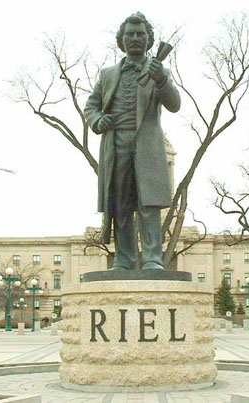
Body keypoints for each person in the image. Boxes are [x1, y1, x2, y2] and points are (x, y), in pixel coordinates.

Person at [84, 12, 181, 271]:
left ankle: (152, 258)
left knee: (148, 203)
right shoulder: (107, 75)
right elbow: (91, 106)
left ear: (149, 39)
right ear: (121, 40)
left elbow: (174, 104)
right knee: (121, 204)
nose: (135, 38)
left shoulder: (160, 70)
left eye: (141, 34)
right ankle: (124, 260)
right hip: (116, 146)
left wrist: (160, 78)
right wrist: (97, 120)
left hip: (147, 145)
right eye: (130, 34)